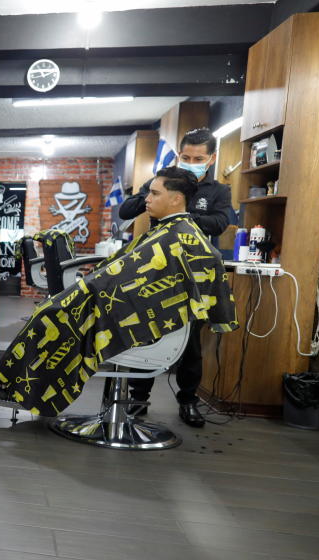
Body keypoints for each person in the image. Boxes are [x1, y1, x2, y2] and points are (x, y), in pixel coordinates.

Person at [0, 167, 238, 417]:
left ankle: (19, 387)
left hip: (144, 326)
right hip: (136, 313)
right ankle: (15, 385)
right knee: (51, 312)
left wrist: (89, 289)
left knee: (51, 316)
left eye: (154, 193)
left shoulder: (179, 235)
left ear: (176, 199)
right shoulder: (173, 231)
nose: (147, 199)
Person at [117, 127, 235, 427]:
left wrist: (178, 211)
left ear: (211, 159)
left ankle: (187, 402)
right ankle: (137, 400)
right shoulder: (163, 181)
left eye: (198, 157)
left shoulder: (218, 191)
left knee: (190, 342)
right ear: (178, 155)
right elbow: (125, 210)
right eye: (186, 156)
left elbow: (220, 223)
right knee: (146, 333)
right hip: (156, 271)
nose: (191, 161)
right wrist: (154, 192)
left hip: (194, 276)